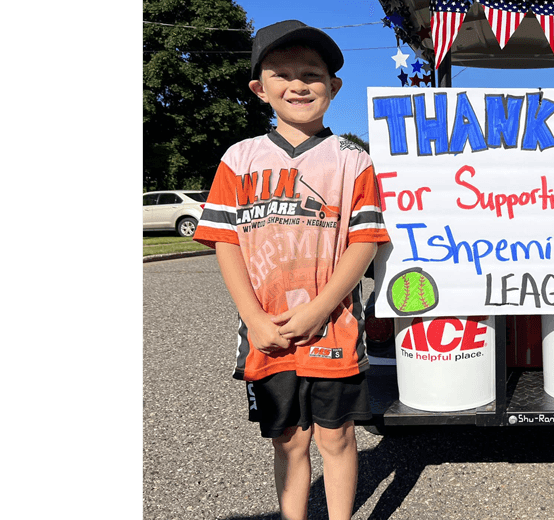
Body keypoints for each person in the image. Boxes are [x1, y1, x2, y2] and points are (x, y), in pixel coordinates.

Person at [192, 20, 390, 520]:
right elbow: (225, 241)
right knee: (288, 442)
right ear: (260, 88)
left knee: (337, 437)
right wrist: (255, 319)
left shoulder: (352, 160)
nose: (299, 84)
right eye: (282, 74)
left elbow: (365, 241)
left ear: (334, 86)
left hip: (334, 328)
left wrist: (320, 310)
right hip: (267, 331)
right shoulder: (239, 158)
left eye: (312, 73)